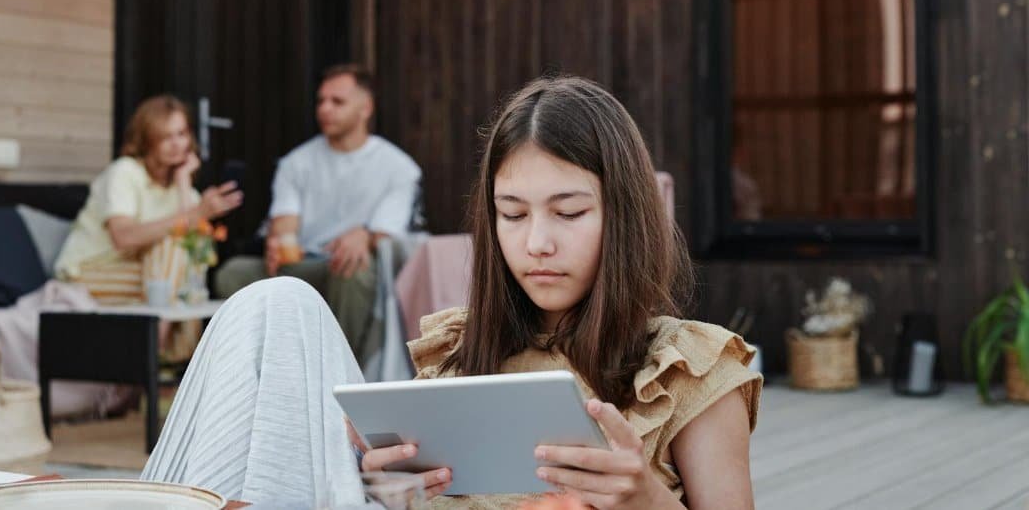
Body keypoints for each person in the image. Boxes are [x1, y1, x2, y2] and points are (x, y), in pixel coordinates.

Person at [144, 77, 761, 509]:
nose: (536, 243)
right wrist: (380, 483)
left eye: (568, 213)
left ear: (624, 215)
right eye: (512, 214)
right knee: (274, 303)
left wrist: (646, 502)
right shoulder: (459, 350)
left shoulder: (687, 368)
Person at [214, 64, 422, 361]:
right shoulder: (297, 162)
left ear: (365, 108)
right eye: (321, 101)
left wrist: (364, 235)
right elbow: (285, 223)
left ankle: (339, 374)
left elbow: (387, 232)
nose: (325, 109)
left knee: (352, 270)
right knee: (231, 274)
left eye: (337, 102)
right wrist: (277, 241)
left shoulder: (398, 167)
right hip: (304, 266)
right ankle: (255, 371)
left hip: (354, 267)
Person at [55, 95, 243, 304]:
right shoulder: (125, 172)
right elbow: (123, 238)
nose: (176, 144)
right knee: (177, 286)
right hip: (88, 272)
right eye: (165, 137)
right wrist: (196, 214)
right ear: (146, 140)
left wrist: (183, 183)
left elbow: (193, 254)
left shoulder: (184, 188)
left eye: (181, 134)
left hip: (146, 273)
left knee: (178, 279)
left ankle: (158, 334)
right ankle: (161, 335)